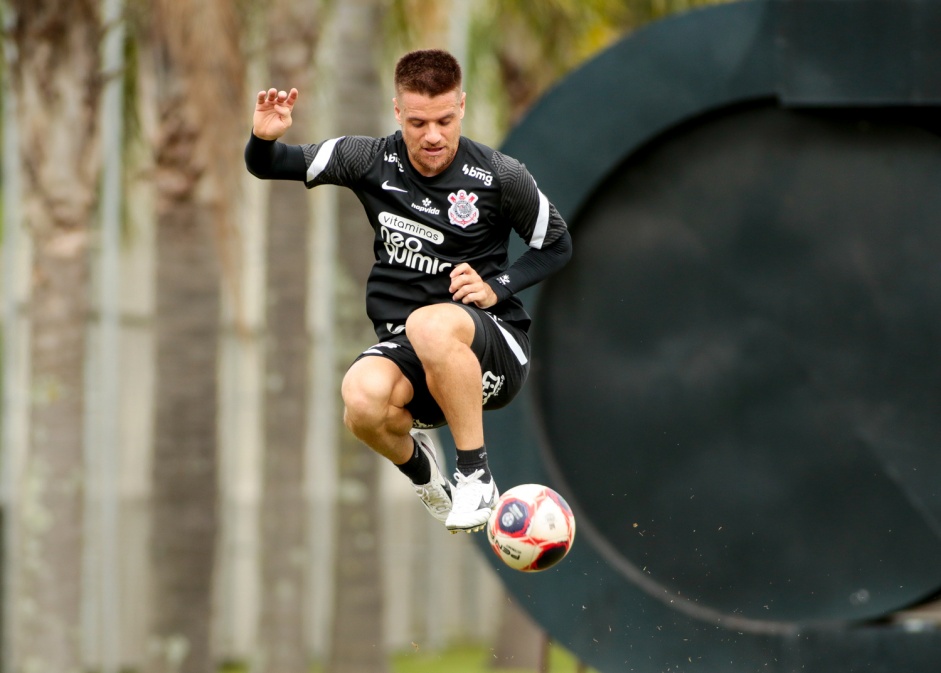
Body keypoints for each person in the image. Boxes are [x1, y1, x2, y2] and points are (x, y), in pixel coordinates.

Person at [245, 49, 572, 533]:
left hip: (492, 351)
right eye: (418, 122)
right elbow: (269, 165)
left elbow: (557, 244)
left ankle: (476, 476)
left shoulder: (501, 175)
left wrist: (495, 286)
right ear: (398, 112)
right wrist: (262, 138)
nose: (433, 135)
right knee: (360, 399)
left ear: (461, 106)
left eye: (444, 119)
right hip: (411, 352)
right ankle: (427, 478)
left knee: (430, 322)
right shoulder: (369, 158)